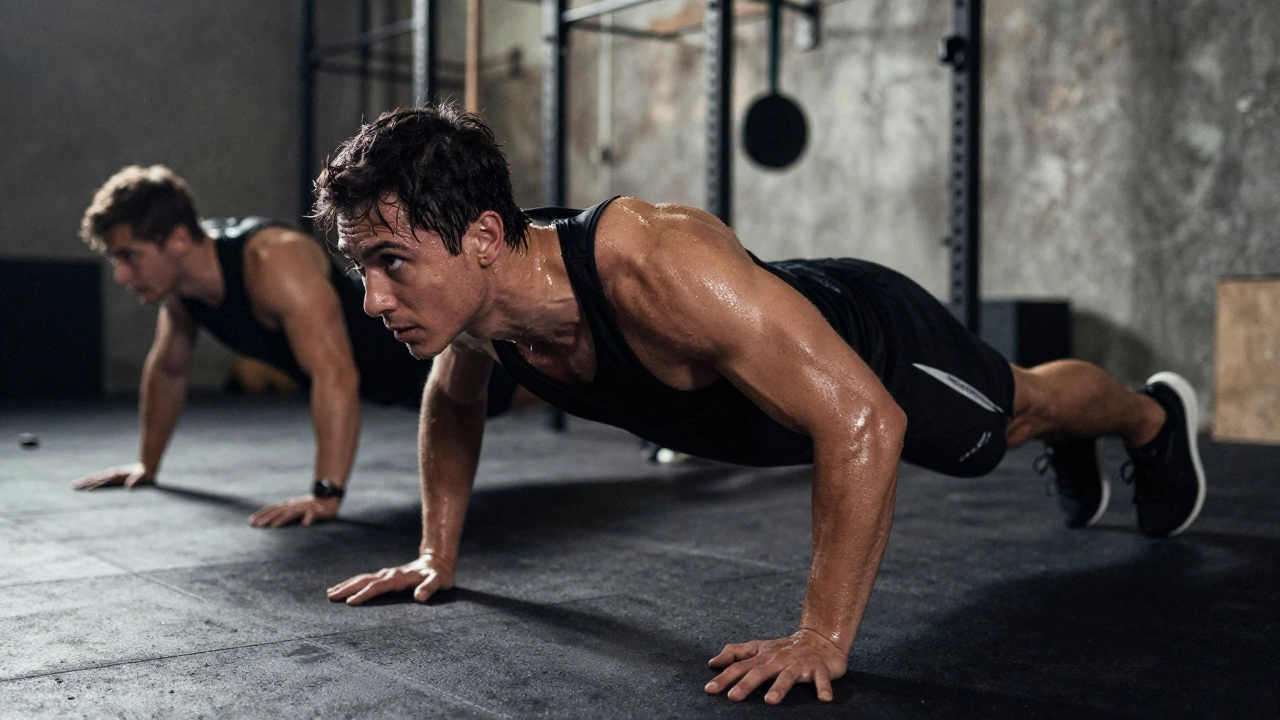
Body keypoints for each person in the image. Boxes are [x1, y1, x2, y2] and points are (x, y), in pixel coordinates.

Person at [316, 107, 1206, 704]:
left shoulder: (651, 263)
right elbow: (456, 400)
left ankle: (1152, 421)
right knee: (1020, 409)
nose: (374, 300)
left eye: (392, 261)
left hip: (878, 351)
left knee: (1014, 414)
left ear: (479, 239)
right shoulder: (474, 310)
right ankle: (1098, 432)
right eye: (362, 268)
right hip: (791, 393)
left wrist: (821, 634)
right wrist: (436, 551)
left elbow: (863, 422)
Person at [73, 165, 530, 527]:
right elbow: (170, 369)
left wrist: (325, 494)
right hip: (388, 382)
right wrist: (146, 465)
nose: (121, 276)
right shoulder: (182, 292)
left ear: (175, 240)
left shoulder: (272, 261)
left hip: (432, 354)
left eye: (128, 256)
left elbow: (335, 374)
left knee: (557, 382)